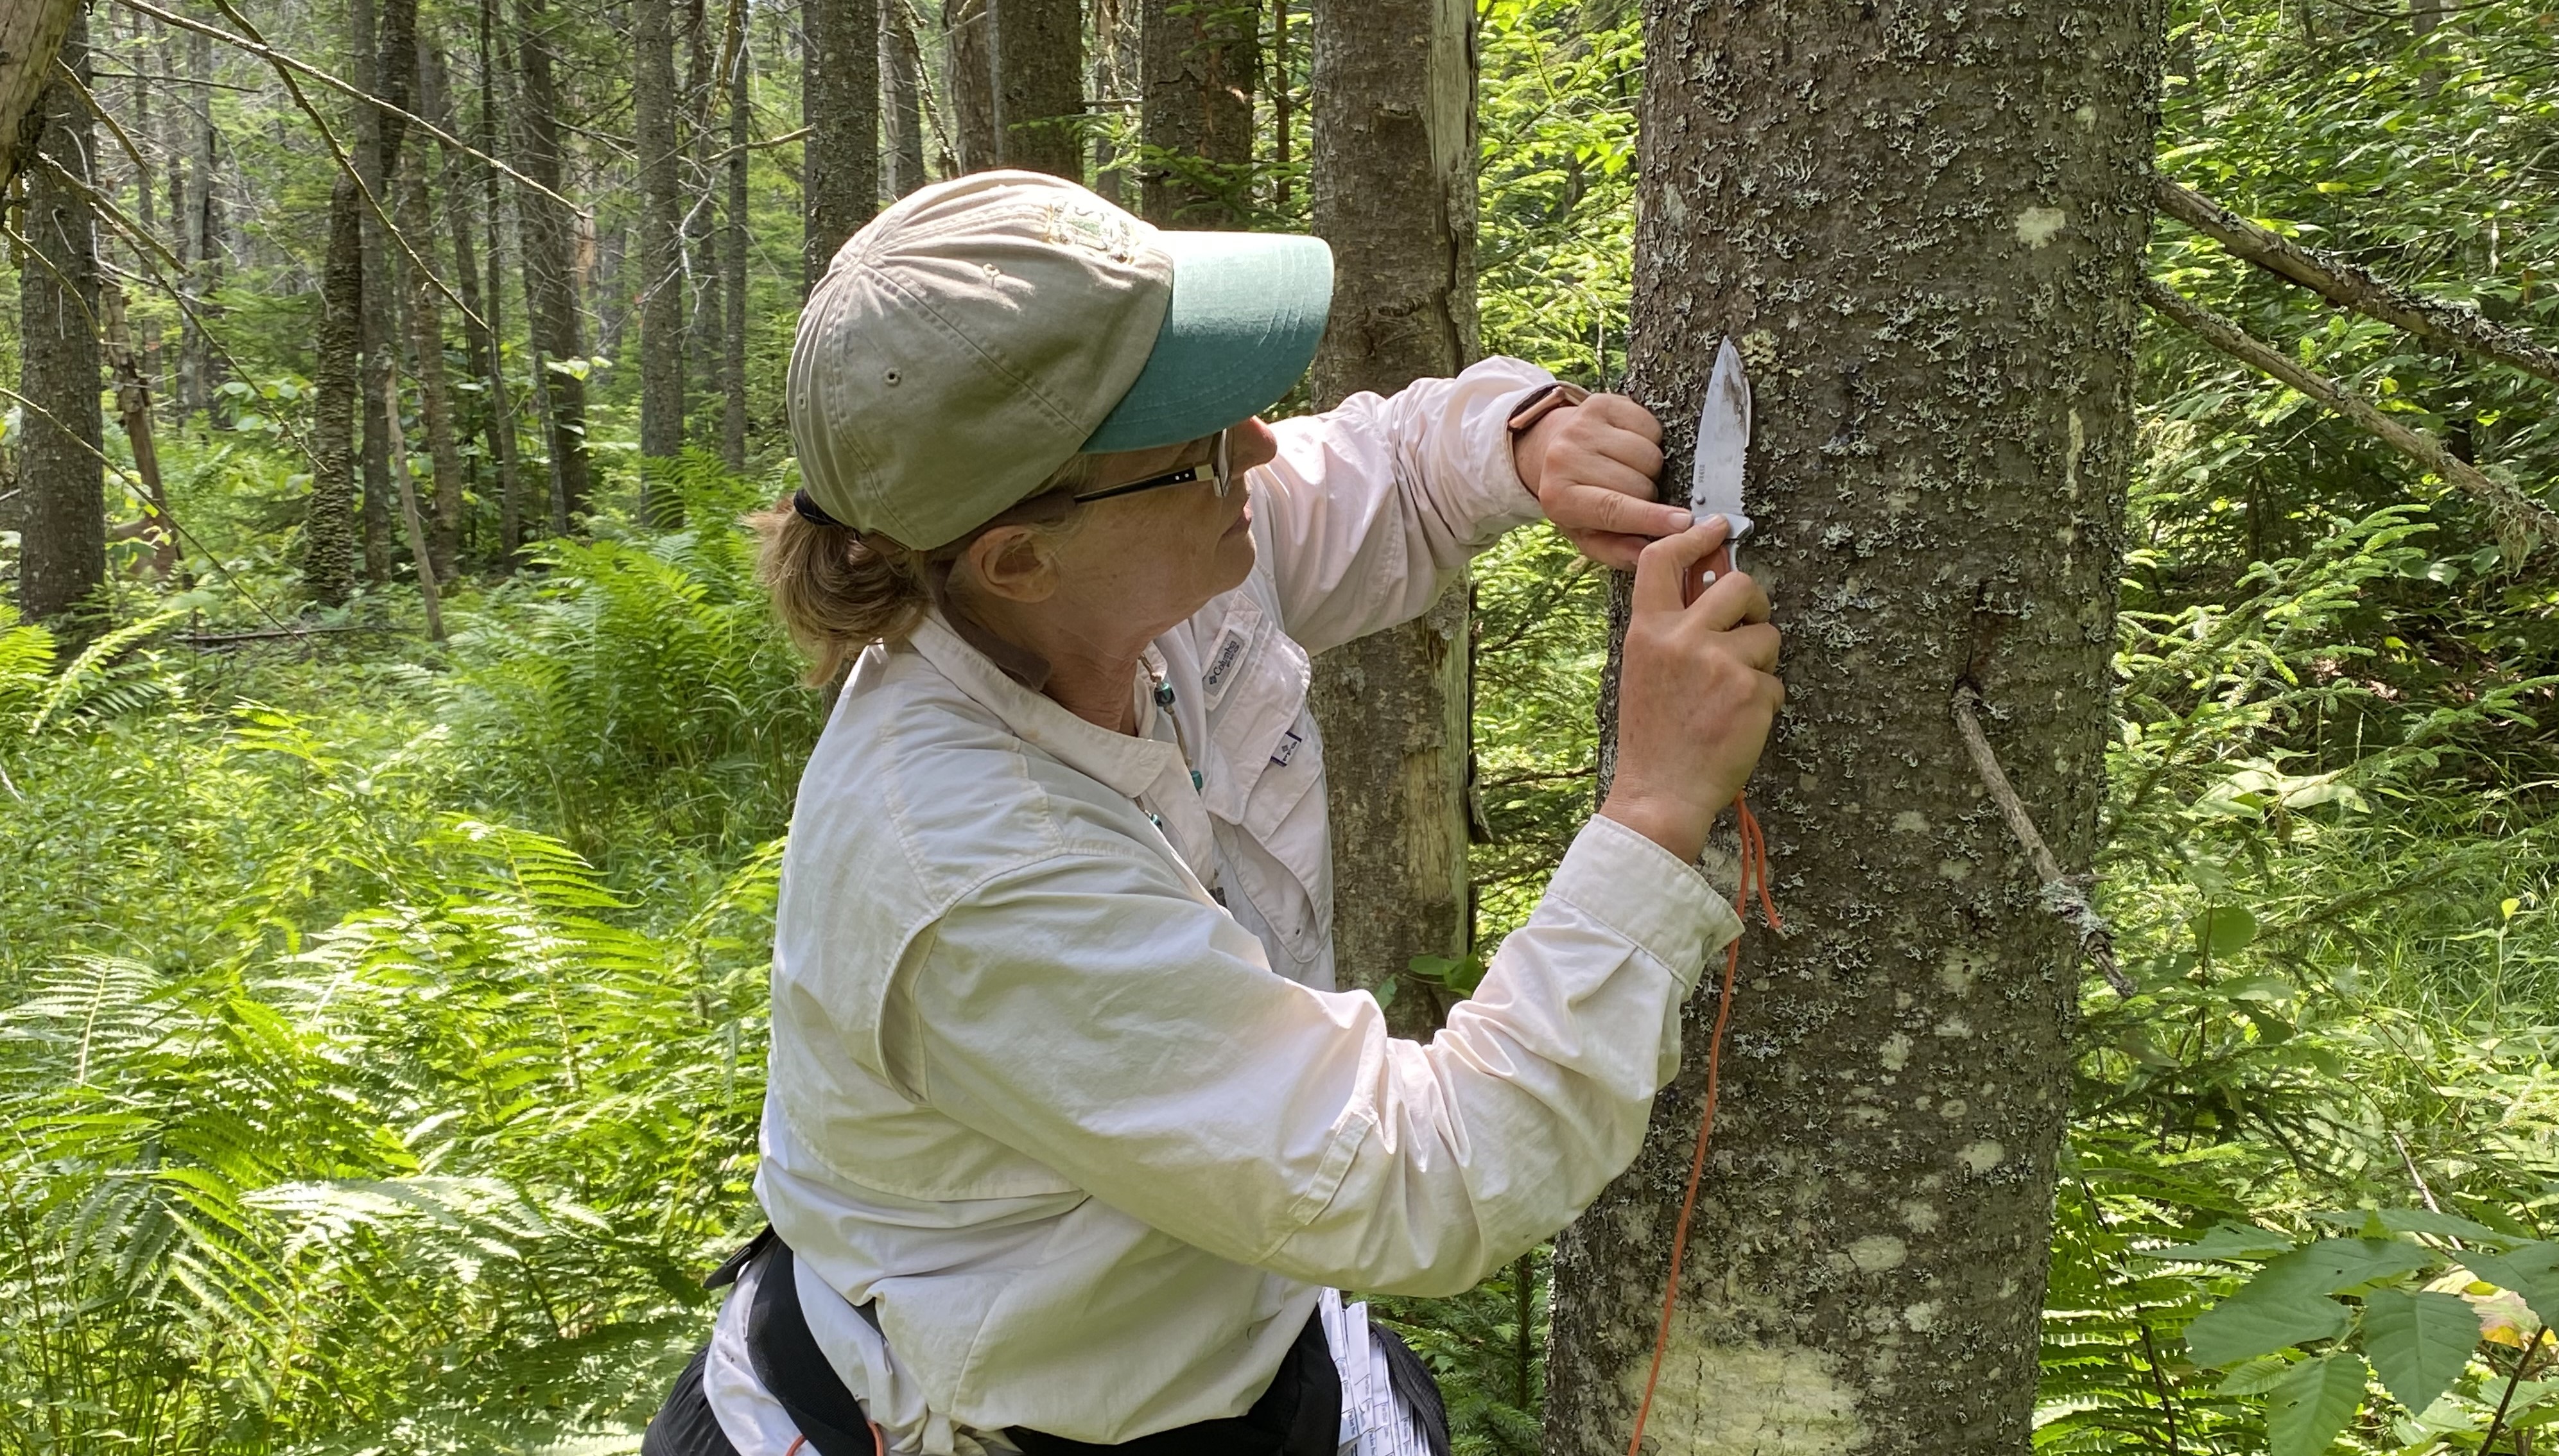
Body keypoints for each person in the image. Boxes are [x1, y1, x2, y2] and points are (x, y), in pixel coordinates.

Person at [640, 170, 1782, 1456]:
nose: (1253, 442)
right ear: (1019, 554)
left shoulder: (1123, 572)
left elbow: (1378, 477)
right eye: (1193, 439)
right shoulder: (973, 871)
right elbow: (1422, 1178)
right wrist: (1655, 807)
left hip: (1240, 1348)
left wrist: (1519, 445)